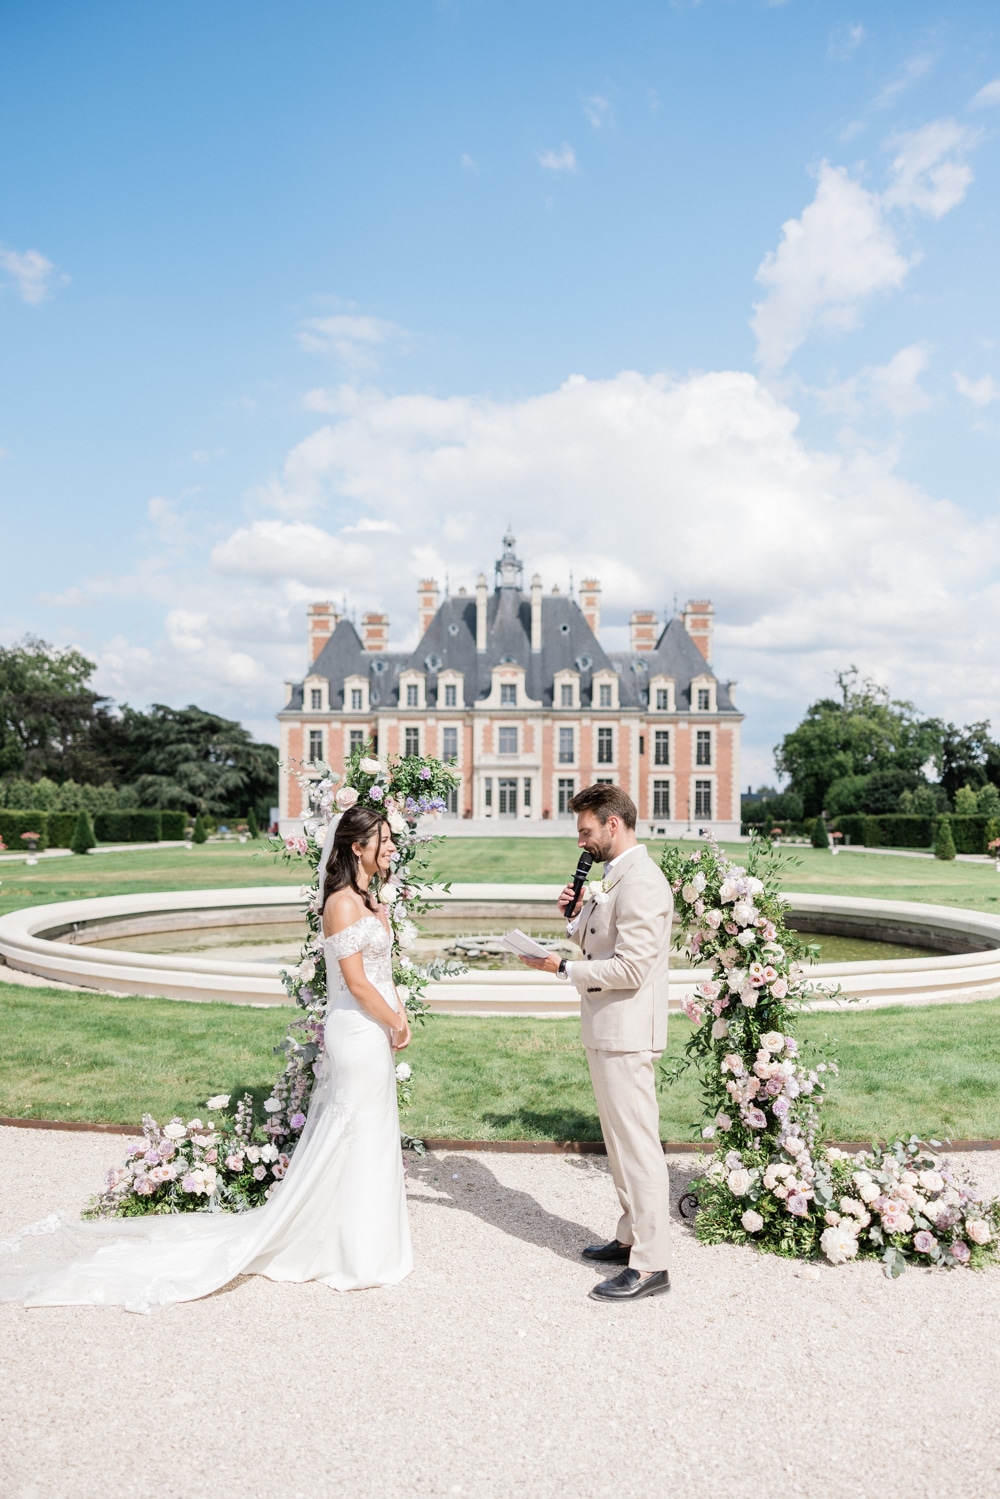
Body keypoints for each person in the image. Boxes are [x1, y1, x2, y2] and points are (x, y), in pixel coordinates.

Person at [0, 806, 413, 1312]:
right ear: (356, 846)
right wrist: (393, 1022)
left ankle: (364, 1239)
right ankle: (344, 1248)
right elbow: (356, 984)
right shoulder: (342, 904)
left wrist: (400, 1014)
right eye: (383, 839)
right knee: (353, 1130)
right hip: (357, 1031)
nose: (391, 847)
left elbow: (383, 973)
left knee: (372, 1128)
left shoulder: (371, 901)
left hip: (377, 1027)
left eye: (390, 839)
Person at [519, 784, 673, 1302]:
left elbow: (630, 968)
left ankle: (652, 1265)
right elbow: (600, 944)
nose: (581, 841)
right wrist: (576, 916)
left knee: (638, 1148)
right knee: (619, 1145)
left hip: (628, 1033)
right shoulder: (615, 877)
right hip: (608, 1029)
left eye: (586, 831)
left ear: (613, 824)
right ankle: (631, 1238)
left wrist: (561, 968)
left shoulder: (643, 881)